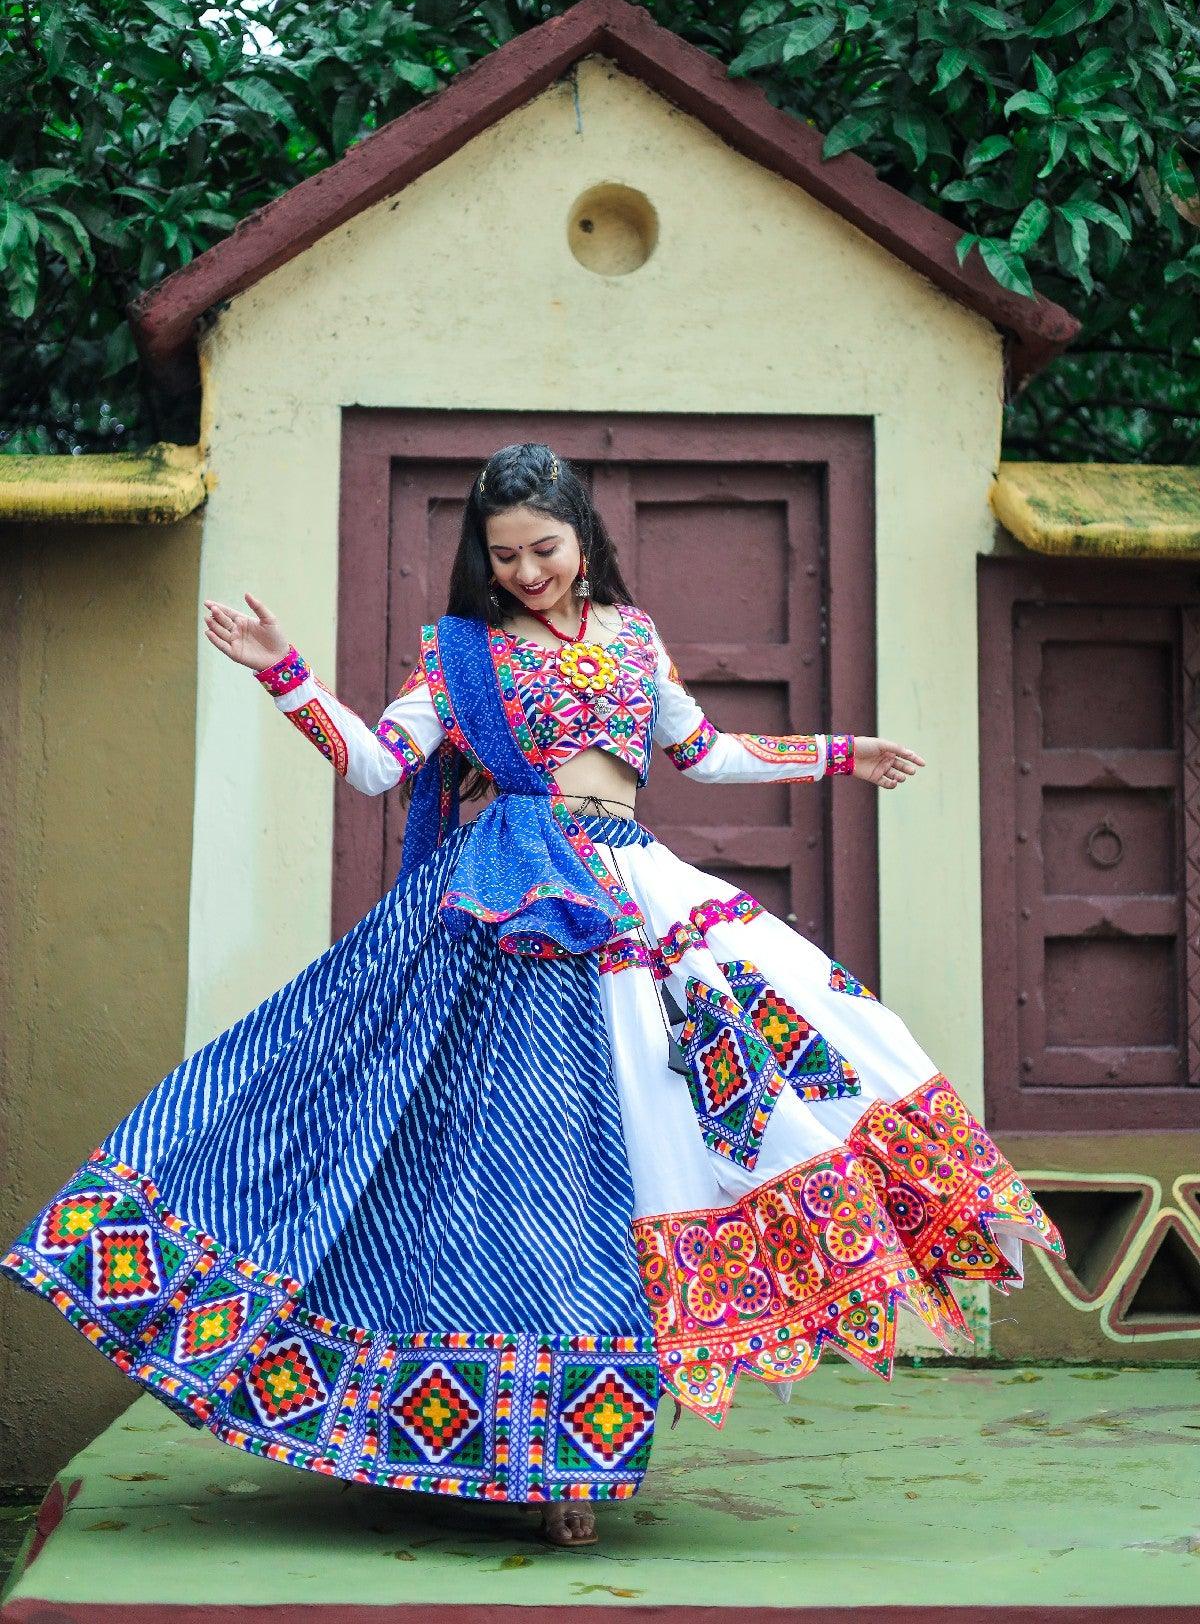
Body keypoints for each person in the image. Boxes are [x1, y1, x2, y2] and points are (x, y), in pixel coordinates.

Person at [2, 442, 1063, 1550]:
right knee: (496, 1180)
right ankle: (473, 1440)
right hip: (499, 920)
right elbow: (376, 767)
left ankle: (571, 1457)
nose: (525, 572)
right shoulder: (461, 657)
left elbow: (701, 753)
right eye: (503, 555)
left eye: (543, 549)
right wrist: (287, 673)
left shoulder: (636, 639)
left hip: (628, 905)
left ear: (583, 536)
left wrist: (845, 756)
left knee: (731, 1101)